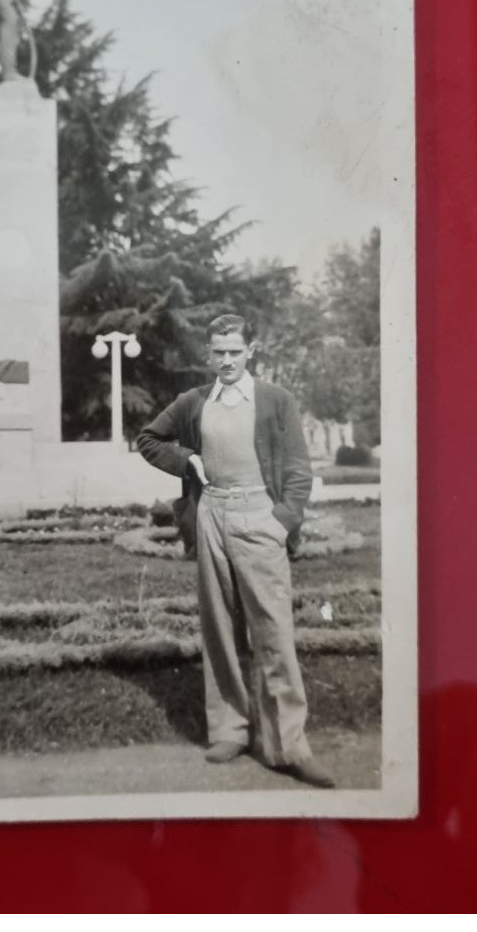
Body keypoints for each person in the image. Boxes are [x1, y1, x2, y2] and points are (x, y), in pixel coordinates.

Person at [136, 314, 335, 787]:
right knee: (219, 626)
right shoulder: (196, 401)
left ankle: (287, 744)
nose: (226, 360)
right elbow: (149, 439)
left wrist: (281, 520)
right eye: (218, 351)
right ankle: (230, 728)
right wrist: (188, 460)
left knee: (273, 630)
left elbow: (297, 470)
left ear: (251, 350)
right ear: (209, 353)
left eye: (235, 351)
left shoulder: (274, 401)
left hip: (258, 516)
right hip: (211, 516)